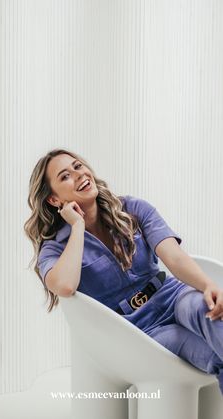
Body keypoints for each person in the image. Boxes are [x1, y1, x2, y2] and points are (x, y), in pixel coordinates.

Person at [24, 148, 223, 395]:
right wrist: (77, 227)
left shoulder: (133, 208)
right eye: (65, 176)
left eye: (78, 166)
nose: (78, 175)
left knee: (208, 311)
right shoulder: (54, 248)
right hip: (138, 330)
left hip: (172, 296)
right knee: (214, 358)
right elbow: (64, 286)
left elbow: (173, 256)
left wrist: (207, 285)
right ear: (54, 200)